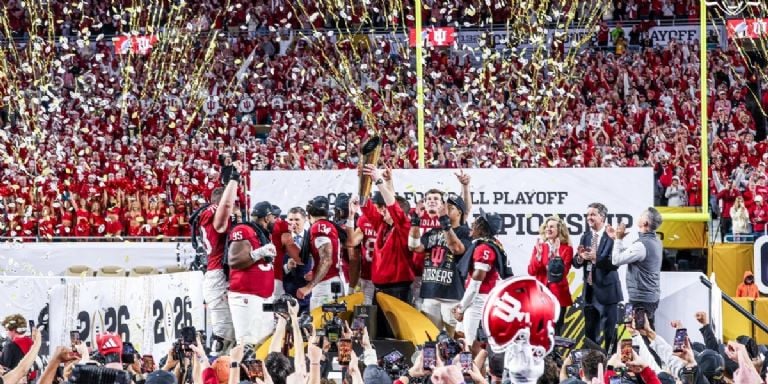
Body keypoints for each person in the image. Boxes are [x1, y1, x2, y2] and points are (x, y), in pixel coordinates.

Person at [409, 191, 471, 336]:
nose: (445, 209)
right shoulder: (431, 232)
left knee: (456, 339)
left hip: (452, 296)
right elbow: (413, 246)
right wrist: (415, 221)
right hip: (430, 293)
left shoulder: (465, 232)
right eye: (445, 206)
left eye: (451, 207)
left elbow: (456, 249)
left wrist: (444, 223)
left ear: (459, 213)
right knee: (430, 339)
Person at [197, 161, 242, 355]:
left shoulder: (208, 212)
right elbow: (222, 222)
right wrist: (233, 181)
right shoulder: (212, 211)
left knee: (231, 332)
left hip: (217, 274)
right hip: (215, 276)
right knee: (223, 335)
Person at [452, 208, 504, 353]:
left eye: (477, 221)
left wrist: (461, 308)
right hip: (475, 299)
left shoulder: (484, 249)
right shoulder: (491, 244)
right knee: (460, 341)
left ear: (482, 227)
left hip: (478, 301)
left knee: (471, 347)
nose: (473, 223)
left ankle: (473, 375)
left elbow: (475, 285)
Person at [226, 200, 278, 345]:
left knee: (264, 343)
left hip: (263, 298)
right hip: (247, 298)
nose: (276, 220)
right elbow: (234, 261)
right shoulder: (244, 230)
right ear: (267, 217)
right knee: (248, 345)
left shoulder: (261, 233)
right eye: (274, 217)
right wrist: (258, 253)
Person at [573, 202, 623, 352]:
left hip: (607, 293)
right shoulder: (586, 236)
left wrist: (596, 258)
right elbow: (576, 262)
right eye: (588, 215)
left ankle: (611, 368)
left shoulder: (611, 236)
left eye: (593, 214)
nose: (589, 218)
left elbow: (615, 263)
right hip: (589, 292)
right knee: (590, 335)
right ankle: (592, 366)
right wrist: (581, 258)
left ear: (602, 217)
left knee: (609, 335)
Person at [608, 207, 663, 328]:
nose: (639, 217)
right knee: (644, 333)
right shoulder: (655, 241)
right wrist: (616, 239)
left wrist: (618, 239)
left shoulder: (641, 245)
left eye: (641, 216)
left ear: (645, 223)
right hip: (647, 298)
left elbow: (616, 260)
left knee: (640, 336)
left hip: (640, 301)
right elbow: (627, 254)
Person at [527, 216, 574, 336]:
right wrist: (538, 257)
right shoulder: (540, 247)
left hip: (558, 295)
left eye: (551, 227)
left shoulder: (567, 249)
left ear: (560, 230)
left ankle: (555, 354)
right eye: (547, 227)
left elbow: (560, 273)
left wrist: (556, 254)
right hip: (540, 295)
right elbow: (531, 271)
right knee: (540, 328)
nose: (548, 229)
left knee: (556, 329)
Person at [297, 196, 344, 310]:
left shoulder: (318, 227)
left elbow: (326, 260)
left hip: (325, 286)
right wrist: (314, 271)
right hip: (332, 282)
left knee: (321, 326)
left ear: (309, 214)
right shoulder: (330, 225)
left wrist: (309, 287)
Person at [284, 207, 314, 313]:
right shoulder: (281, 239)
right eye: (290, 220)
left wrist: (313, 273)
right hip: (286, 294)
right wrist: (286, 267)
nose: (293, 223)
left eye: (297, 220)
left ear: (305, 219)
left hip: (307, 294)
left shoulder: (312, 238)